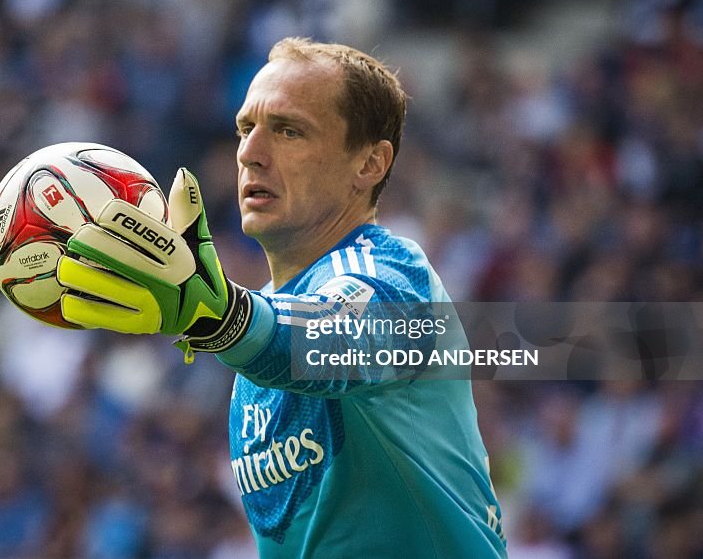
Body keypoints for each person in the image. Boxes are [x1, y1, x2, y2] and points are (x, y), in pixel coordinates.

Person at [56, 37, 507, 558]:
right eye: (245, 129)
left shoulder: (392, 275)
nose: (249, 153)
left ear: (369, 164)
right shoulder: (263, 320)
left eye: (288, 131)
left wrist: (223, 319)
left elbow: (331, 338)